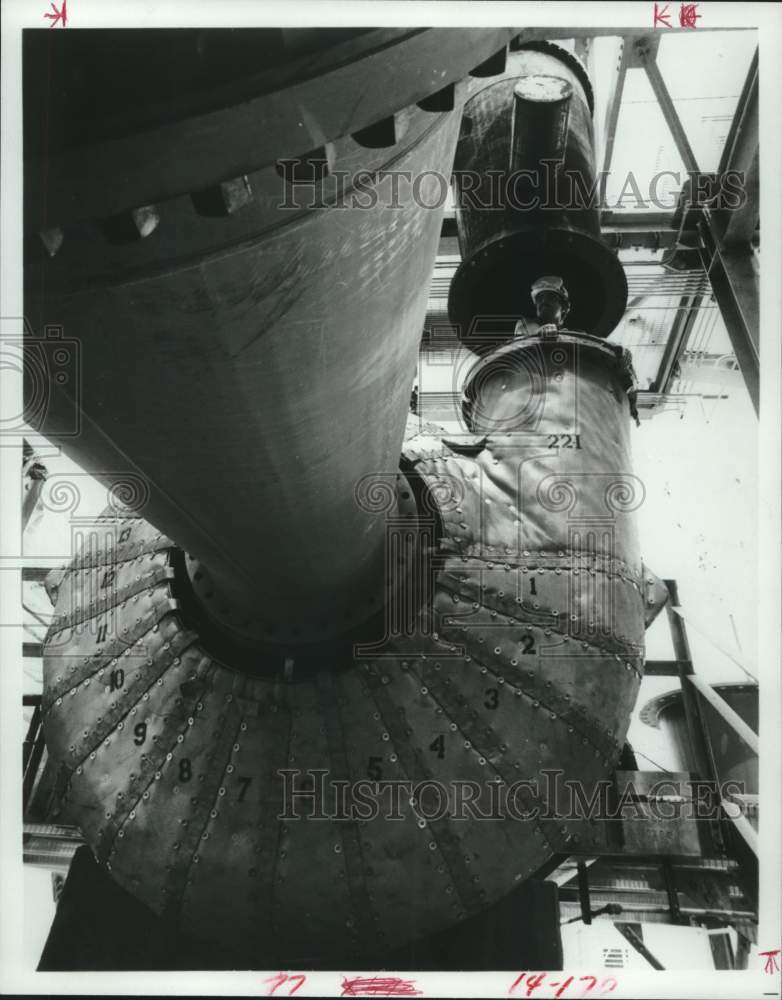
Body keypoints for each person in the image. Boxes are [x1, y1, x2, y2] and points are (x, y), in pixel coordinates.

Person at [516, 275, 641, 426]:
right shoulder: (525, 326)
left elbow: (603, 347)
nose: (543, 302)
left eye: (550, 297)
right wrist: (543, 334)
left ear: (563, 307)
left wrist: (622, 354)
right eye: (539, 299)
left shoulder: (576, 336)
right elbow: (527, 335)